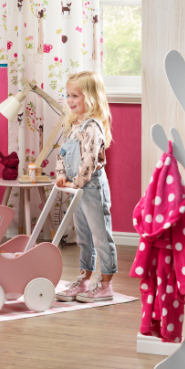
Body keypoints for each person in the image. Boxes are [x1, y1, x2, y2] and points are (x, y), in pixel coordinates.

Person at [52, 71, 117, 303]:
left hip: (91, 187)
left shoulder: (93, 128)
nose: (70, 100)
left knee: (100, 235)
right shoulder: (73, 125)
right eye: (68, 95)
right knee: (83, 236)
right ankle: (84, 279)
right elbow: (62, 153)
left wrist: (76, 182)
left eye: (75, 96)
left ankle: (106, 285)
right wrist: (61, 175)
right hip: (75, 188)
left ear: (90, 97)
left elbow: (89, 161)